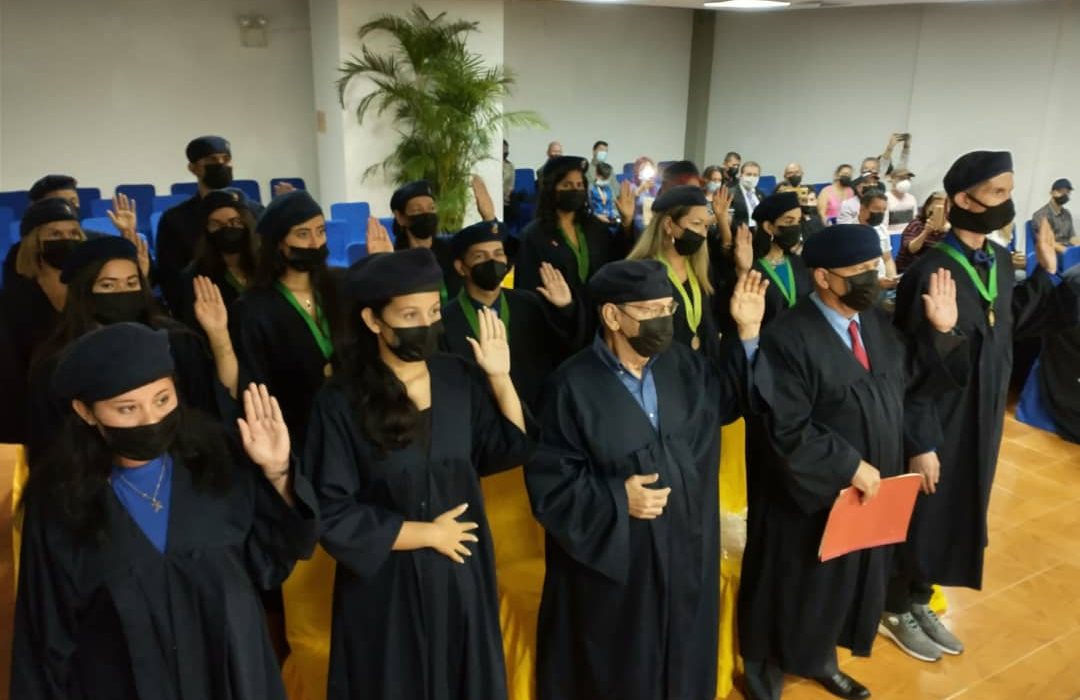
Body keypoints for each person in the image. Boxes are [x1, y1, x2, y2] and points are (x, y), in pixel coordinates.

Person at [13, 322, 317, 700]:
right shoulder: (60, 500)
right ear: (86, 412)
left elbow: (272, 559)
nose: (150, 420)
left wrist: (278, 472)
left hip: (232, 674)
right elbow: (44, 631)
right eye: (127, 408)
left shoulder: (218, 461)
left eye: (162, 399)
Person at [739, 224, 967, 700]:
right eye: (858, 270)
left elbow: (907, 389)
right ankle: (764, 673)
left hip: (865, 492)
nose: (871, 277)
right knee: (787, 583)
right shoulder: (788, 336)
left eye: (873, 266)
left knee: (839, 585)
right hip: (803, 494)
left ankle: (821, 659)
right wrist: (847, 466)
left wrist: (941, 335)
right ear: (823, 277)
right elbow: (784, 425)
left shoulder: (875, 323)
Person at [525, 258, 767, 700]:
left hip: (688, 548)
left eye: (667, 308)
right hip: (622, 570)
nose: (663, 320)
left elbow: (732, 400)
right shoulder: (571, 386)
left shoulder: (685, 365)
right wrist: (617, 498)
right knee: (626, 671)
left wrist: (748, 332)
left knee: (685, 663)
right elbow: (551, 483)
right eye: (650, 310)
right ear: (612, 315)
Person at [305, 247, 531, 700]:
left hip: (461, 574)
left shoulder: (457, 378)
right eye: (410, 315)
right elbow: (331, 510)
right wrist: (428, 534)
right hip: (387, 588)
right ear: (374, 321)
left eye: (432, 312)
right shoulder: (341, 401)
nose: (426, 325)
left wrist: (500, 378)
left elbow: (509, 448)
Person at [887, 151, 1062, 662]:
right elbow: (908, 370)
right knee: (922, 512)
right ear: (964, 199)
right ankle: (892, 605)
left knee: (957, 509)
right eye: (997, 194)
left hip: (981, 417)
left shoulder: (999, 263)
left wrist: (1046, 275)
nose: (1008, 204)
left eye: (1010, 192)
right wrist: (920, 441)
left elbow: (1010, 324)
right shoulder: (930, 272)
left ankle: (920, 596)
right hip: (939, 417)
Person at [26, 235, 237, 461]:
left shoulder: (175, 339)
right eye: (108, 285)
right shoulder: (58, 360)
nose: (122, 292)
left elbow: (212, 402)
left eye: (131, 283)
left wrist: (219, 336)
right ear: (84, 290)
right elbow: (52, 440)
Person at [232, 190, 342, 453]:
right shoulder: (253, 309)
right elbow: (257, 382)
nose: (315, 243)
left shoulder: (341, 287)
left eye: (321, 231)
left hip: (349, 422)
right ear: (279, 243)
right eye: (303, 234)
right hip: (297, 432)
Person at [440, 220, 586, 411]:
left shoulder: (530, 304)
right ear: (461, 267)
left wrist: (565, 309)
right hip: (478, 419)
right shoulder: (445, 320)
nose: (492, 261)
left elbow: (565, 349)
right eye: (480, 256)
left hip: (536, 413)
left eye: (498, 254)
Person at [0, 198, 86, 443]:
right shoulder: (11, 301)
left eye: (73, 233)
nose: (66, 240)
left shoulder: (93, 289)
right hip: (34, 415)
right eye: (55, 234)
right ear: (34, 242)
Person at [514, 155, 635, 300]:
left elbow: (617, 261)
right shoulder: (533, 235)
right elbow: (526, 289)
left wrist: (627, 222)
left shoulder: (596, 228)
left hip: (595, 311)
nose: (575, 190)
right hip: (551, 312)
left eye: (579, 185)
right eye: (567, 185)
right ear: (552, 190)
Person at [627, 185, 720, 354]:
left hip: (703, 363)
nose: (703, 234)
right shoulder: (643, 273)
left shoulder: (701, 268)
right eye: (696, 224)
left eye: (706, 226)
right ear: (669, 224)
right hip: (666, 365)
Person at [156, 136, 235, 314]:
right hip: (199, 309)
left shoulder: (254, 212)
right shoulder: (175, 219)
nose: (221, 164)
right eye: (211, 160)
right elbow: (170, 277)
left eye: (226, 159)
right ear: (193, 168)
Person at [388, 179, 497, 301]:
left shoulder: (452, 247)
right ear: (400, 217)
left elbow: (488, 243)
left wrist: (489, 218)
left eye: (431, 208)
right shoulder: (394, 258)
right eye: (417, 210)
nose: (427, 214)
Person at [176, 189, 258, 333]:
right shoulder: (196, 276)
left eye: (235, 222)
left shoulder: (268, 266)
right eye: (216, 224)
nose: (228, 229)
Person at [748, 191, 813, 326]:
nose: (795, 227)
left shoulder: (799, 262)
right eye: (789, 221)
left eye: (798, 221)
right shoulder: (753, 268)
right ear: (768, 227)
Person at [896, 192, 949, 273]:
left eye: (942, 210)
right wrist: (926, 232)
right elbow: (911, 249)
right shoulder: (916, 224)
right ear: (927, 207)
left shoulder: (950, 228)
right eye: (935, 208)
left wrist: (949, 232)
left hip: (936, 269)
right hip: (911, 269)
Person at [858, 191, 899, 292]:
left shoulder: (882, 229)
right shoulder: (848, 231)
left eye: (883, 210)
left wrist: (892, 279)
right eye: (876, 209)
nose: (880, 213)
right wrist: (876, 281)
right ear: (862, 208)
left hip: (883, 286)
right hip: (862, 288)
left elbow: (887, 258)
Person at [1031, 178, 1078, 253]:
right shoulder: (1041, 215)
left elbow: (1072, 237)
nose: (1065, 195)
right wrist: (1068, 252)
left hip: (1067, 250)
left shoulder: (1067, 214)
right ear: (1052, 192)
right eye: (1061, 191)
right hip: (1050, 253)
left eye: (1067, 192)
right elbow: (1046, 242)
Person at [731, 161, 766, 230]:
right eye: (749, 174)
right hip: (740, 231)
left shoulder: (760, 194)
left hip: (759, 231)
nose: (752, 177)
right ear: (741, 175)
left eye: (755, 175)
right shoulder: (731, 193)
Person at [886, 169, 919, 235]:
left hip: (910, 234)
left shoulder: (911, 198)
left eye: (908, 179)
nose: (905, 182)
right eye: (901, 178)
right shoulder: (885, 198)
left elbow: (915, 220)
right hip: (892, 234)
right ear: (891, 179)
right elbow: (883, 225)